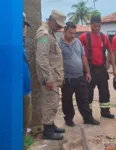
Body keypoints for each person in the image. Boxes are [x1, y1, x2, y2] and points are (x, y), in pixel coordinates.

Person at [59, 22, 100, 126]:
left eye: (74, 33)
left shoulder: (77, 42)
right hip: (67, 79)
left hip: (80, 76)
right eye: (70, 33)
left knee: (83, 99)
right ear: (64, 31)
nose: (72, 35)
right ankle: (69, 119)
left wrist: (87, 72)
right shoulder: (58, 44)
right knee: (67, 100)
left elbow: (83, 57)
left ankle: (88, 118)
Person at [35, 9, 66, 140]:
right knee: (49, 102)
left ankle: (51, 125)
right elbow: (41, 58)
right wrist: (48, 78)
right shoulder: (44, 34)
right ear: (51, 20)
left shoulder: (51, 33)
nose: (59, 28)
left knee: (53, 102)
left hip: (53, 76)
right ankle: (47, 131)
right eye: (58, 25)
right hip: (49, 77)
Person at [79, 16, 114, 119]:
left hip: (101, 69)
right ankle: (87, 114)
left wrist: (108, 61)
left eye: (99, 26)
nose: (97, 28)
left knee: (104, 92)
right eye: (95, 26)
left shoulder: (104, 37)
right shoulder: (84, 37)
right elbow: (78, 51)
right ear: (91, 25)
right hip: (89, 70)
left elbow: (110, 51)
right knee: (88, 94)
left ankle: (105, 112)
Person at [23, 12, 32, 140]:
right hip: (16, 94)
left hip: (26, 91)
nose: (24, 29)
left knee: (25, 123)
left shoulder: (21, 42)